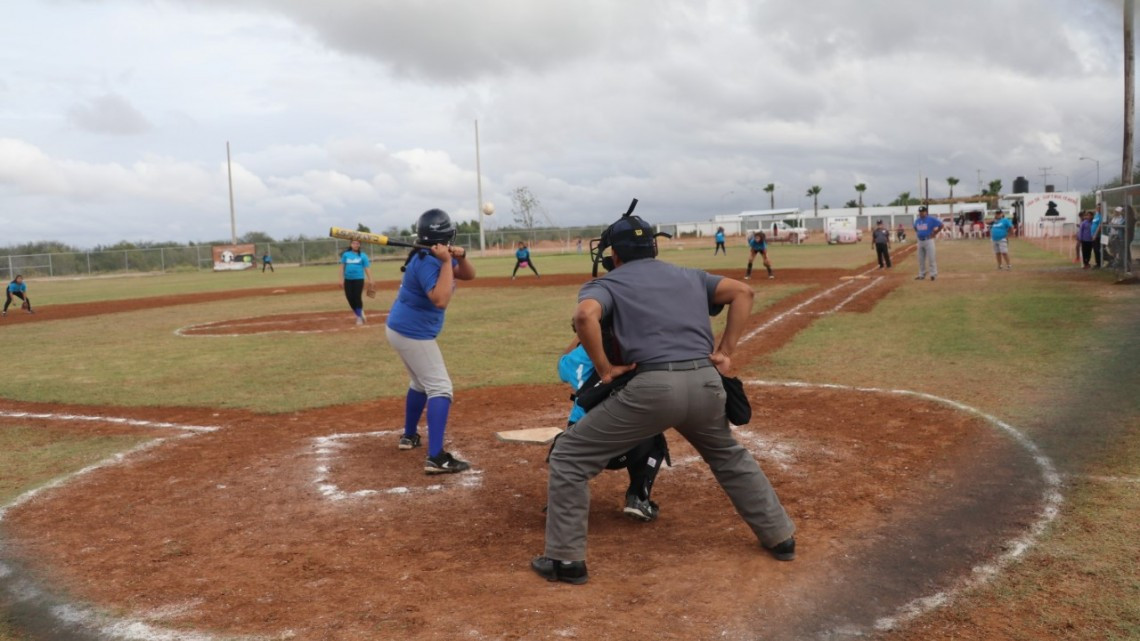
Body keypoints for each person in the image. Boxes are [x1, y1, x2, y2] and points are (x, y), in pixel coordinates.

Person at [531, 205, 796, 585]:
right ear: (654, 248)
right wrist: (725, 352)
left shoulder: (607, 284)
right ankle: (780, 536)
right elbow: (744, 291)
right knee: (727, 455)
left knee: (570, 456)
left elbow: (585, 317)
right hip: (707, 384)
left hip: (652, 388)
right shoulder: (689, 276)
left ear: (614, 255)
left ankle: (565, 560)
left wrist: (605, 370)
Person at [386, 209, 476, 474]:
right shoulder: (429, 261)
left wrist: (460, 257)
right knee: (440, 388)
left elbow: (469, 275)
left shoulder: (434, 256)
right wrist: (447, 262)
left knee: (420, 384)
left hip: (403, 329)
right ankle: (436, 457)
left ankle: (409, 435)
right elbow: (440, 299)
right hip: (412, 333)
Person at [558, 333, 668, 521]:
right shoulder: (623, 353)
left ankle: (562, 502)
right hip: (621, 449)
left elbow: (562, 364)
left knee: (564, 444)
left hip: (578, 448)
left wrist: (583, 334)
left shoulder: (575, 358)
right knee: (655, 436)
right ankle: (638, 498)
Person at [339, 239, 373, 325]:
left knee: (357, 297)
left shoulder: (363, 256)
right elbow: (342, 267)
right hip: (348, 279)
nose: (355, 245)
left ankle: (359, 317)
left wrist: (370, 279)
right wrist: (341, 279)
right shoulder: (346, 255)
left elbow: (367, 268)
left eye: (357, 243)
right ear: (351, 244)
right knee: (349, 297)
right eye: (354, 243)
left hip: (359, 279)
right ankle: (360, 313)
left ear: (359, 245)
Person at [912, 206, 944, 281]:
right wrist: (919, 233)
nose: (921, 213)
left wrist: (935, 233)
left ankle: (933, 274)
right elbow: (915, 227)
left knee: (931, 258)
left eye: (922, 212)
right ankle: (921, 274)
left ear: (926, 212)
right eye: (920, 212)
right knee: (921, 259)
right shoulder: (917, 220)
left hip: (928, 240)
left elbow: (941, 225)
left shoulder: (931, 219)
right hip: (920, 241)